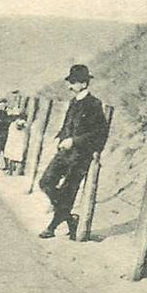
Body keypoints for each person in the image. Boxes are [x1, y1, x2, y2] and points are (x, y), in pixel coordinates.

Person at [38, 64, 109, 240]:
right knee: (45, 182)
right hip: (64, 153)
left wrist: (74, 141)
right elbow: (67, 125)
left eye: (73, 82)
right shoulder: (73, 102)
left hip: (80, 156)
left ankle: (52, 227)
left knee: (68, 190)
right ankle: (69, 218)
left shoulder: (94, 104)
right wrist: (60, 137)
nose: (70, 86)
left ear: (84, 84)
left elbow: (99, 133)